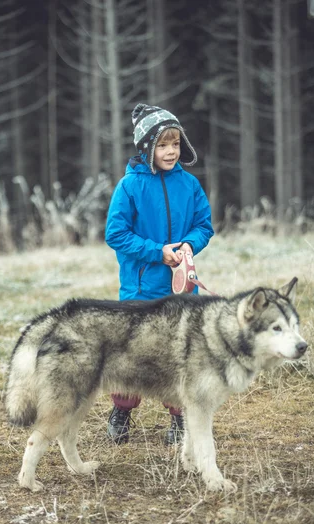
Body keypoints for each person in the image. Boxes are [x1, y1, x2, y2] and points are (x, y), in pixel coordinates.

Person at [105, 103, 214, 445]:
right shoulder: (129, 187)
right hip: (140, 290)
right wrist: (157, 251)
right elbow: (116, 233)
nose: (170, 151)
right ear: (146, 148)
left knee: (179, 355)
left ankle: (179, 420)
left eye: (176, 144)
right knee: (132, 356)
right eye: (163, 145)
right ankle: (122, 411)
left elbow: (204, 226)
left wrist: (187, 246)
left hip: (182, 290)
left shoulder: (190, 185)